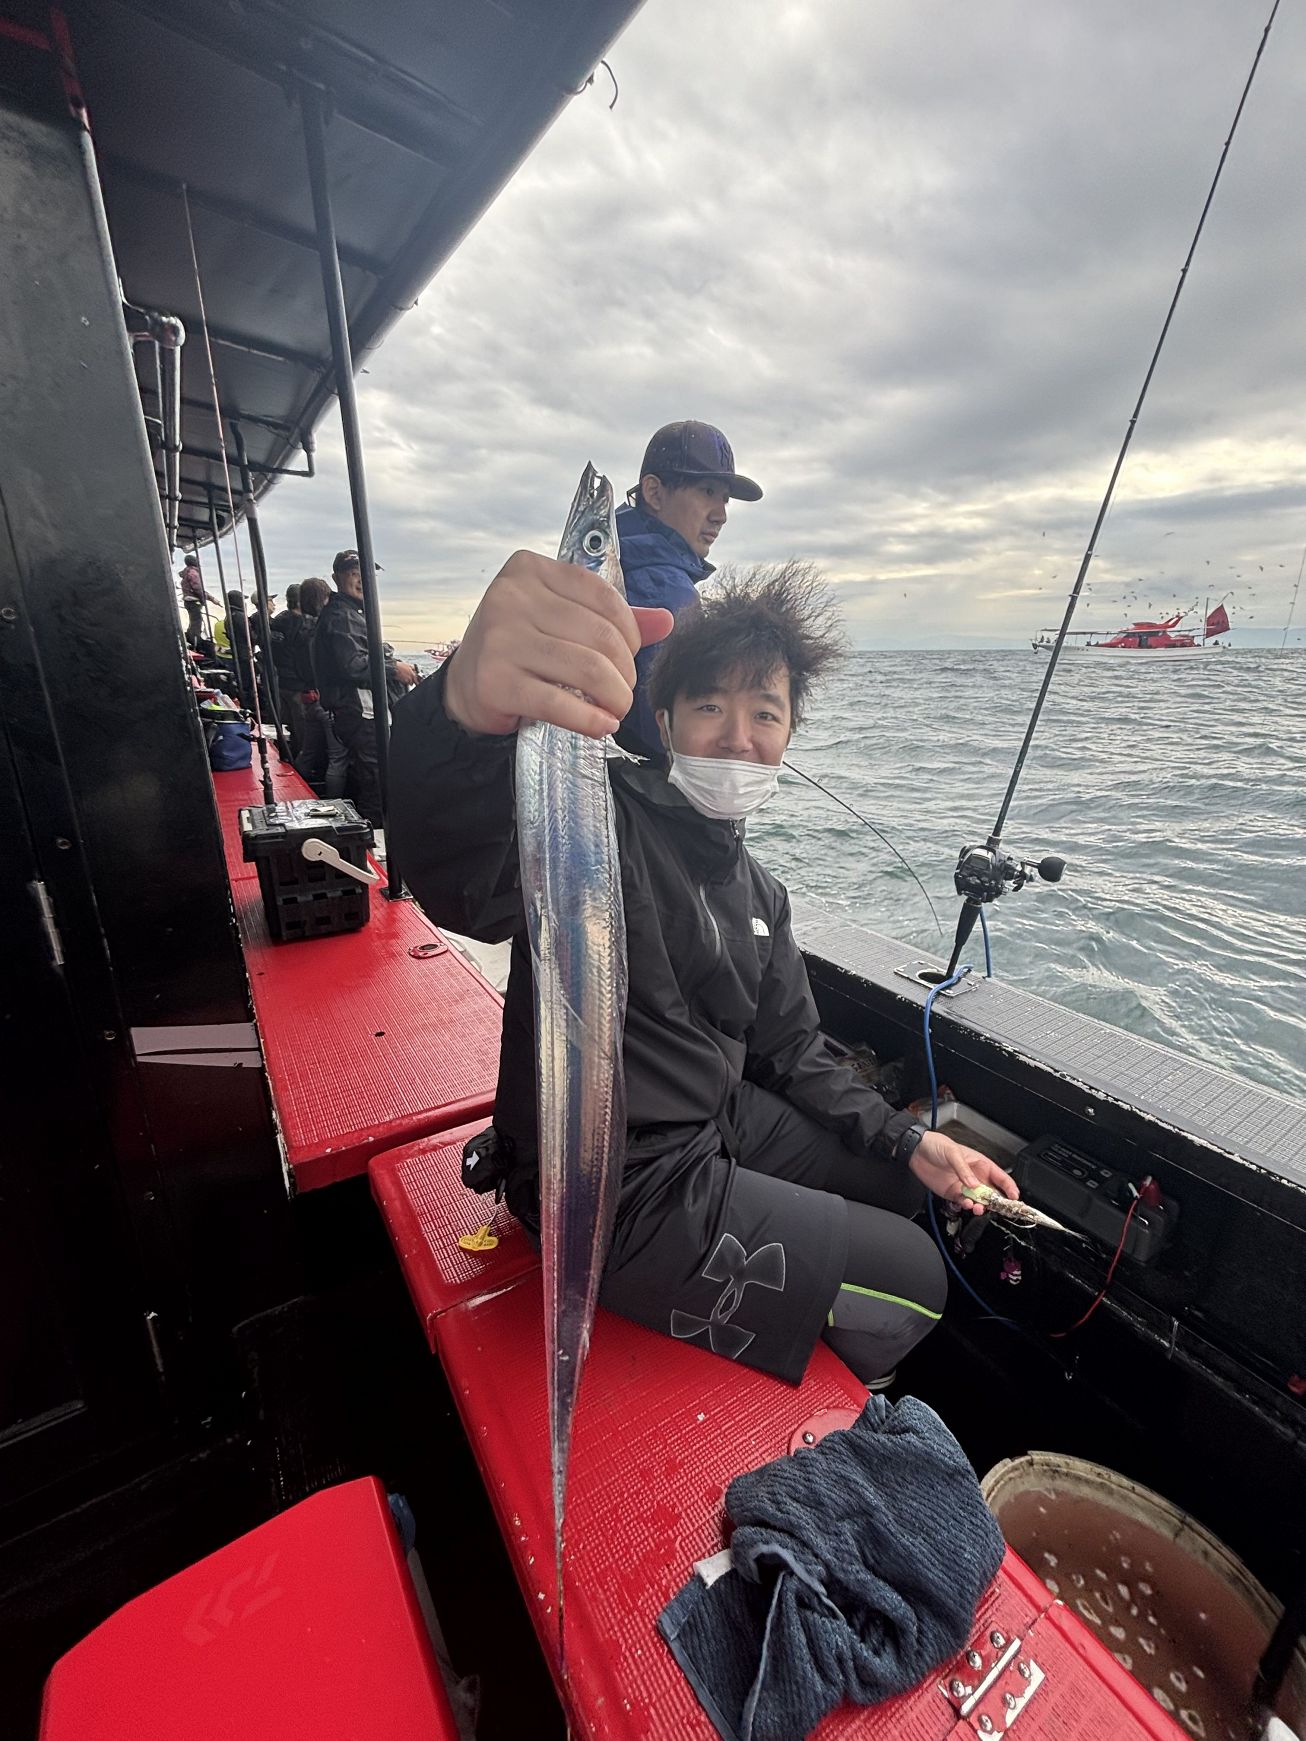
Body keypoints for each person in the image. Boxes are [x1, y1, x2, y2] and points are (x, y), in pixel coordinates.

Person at [388, 555, 1020, 1390]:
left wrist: (911, 1138)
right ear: (664, 719)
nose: (737, 736)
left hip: (716, 1119)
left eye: (766, 711)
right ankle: (832, 1401)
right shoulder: (597, 818)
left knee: (900, 1182)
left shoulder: (762, 891)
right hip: (610, 1177)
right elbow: (465, 876)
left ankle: (791, 1307)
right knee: (915, 1277)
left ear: (790, 733)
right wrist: (461, 715)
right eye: (711, 706)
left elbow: (794, 1051)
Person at [615, 419, 762, 759]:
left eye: (725, 499)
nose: (721, 515)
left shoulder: (618, 559)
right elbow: (670, 742)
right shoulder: (667, 590)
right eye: (707, 491)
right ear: (654, 492)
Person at [312, 550, 418, 825]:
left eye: (366, 575)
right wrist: (394, 669)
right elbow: (352, 664)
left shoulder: (348, 613)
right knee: (376, 781)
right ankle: (376, 836)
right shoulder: (342, 617)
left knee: (372, 776)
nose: (362, 581)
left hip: (361, 713)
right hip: (362, 714)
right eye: (354, 574)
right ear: (337, 578)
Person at [294, 577, 349, 798]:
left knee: (307, 752)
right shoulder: (325, 629)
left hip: (307, 698)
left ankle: (295, 793)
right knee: (338, 758)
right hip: (325, 700)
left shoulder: (300, 629)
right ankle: (334, 804)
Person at [178, 553, 218, 651]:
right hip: (194, 601)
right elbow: (198, 588)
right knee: (196, 624)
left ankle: (190, 640)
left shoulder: (186, 573)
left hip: (188, 601)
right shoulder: (193, 573)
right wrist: (203, 600)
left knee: (193, 622)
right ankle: (196, 644)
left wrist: (212, 599)